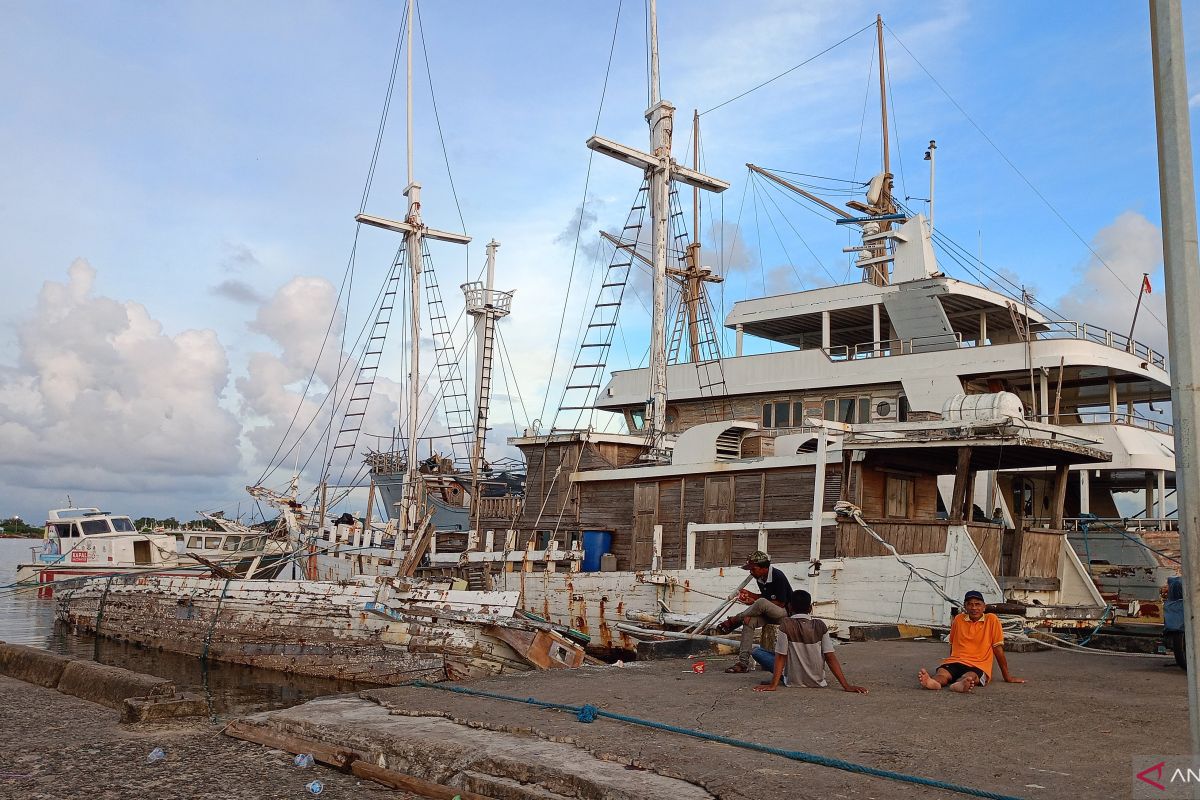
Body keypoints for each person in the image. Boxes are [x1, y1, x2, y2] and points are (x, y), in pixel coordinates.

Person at [751, 590, 867, 693]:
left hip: (793, 681)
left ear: (790, 607)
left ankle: (780, 678)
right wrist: (846, 686)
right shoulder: (820, 625)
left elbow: (781, 657)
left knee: (757, 651)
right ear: (810, 608)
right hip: (817, 681)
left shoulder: (786, 625)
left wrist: (773, 685)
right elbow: (830, 657)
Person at [918, 590, 1025, 692]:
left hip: (978, 665)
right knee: (942, 673)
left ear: (984, 607)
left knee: (970, 676)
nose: (974, 608)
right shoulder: (958, 619)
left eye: (977, 604)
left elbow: (998, 650)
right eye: (970, 604)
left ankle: (960, 684)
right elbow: (953, 645)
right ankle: (934, 683)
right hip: (956, 661)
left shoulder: (991, 620)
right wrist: (952, 661)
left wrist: (1007, 677)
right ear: (965, 607)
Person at [714, 551, 792, 673]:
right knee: (748, 620)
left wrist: (756, 602)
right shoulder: (760, 578)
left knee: (760, 603)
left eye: (753, 569)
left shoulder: (778, 576)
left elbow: (780, 603)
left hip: (783, 613)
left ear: (764, 568)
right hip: (769, 613)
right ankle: (743, 663)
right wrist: (751, 597)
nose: (751, 572)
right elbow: (765, 598)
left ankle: (735, 619)